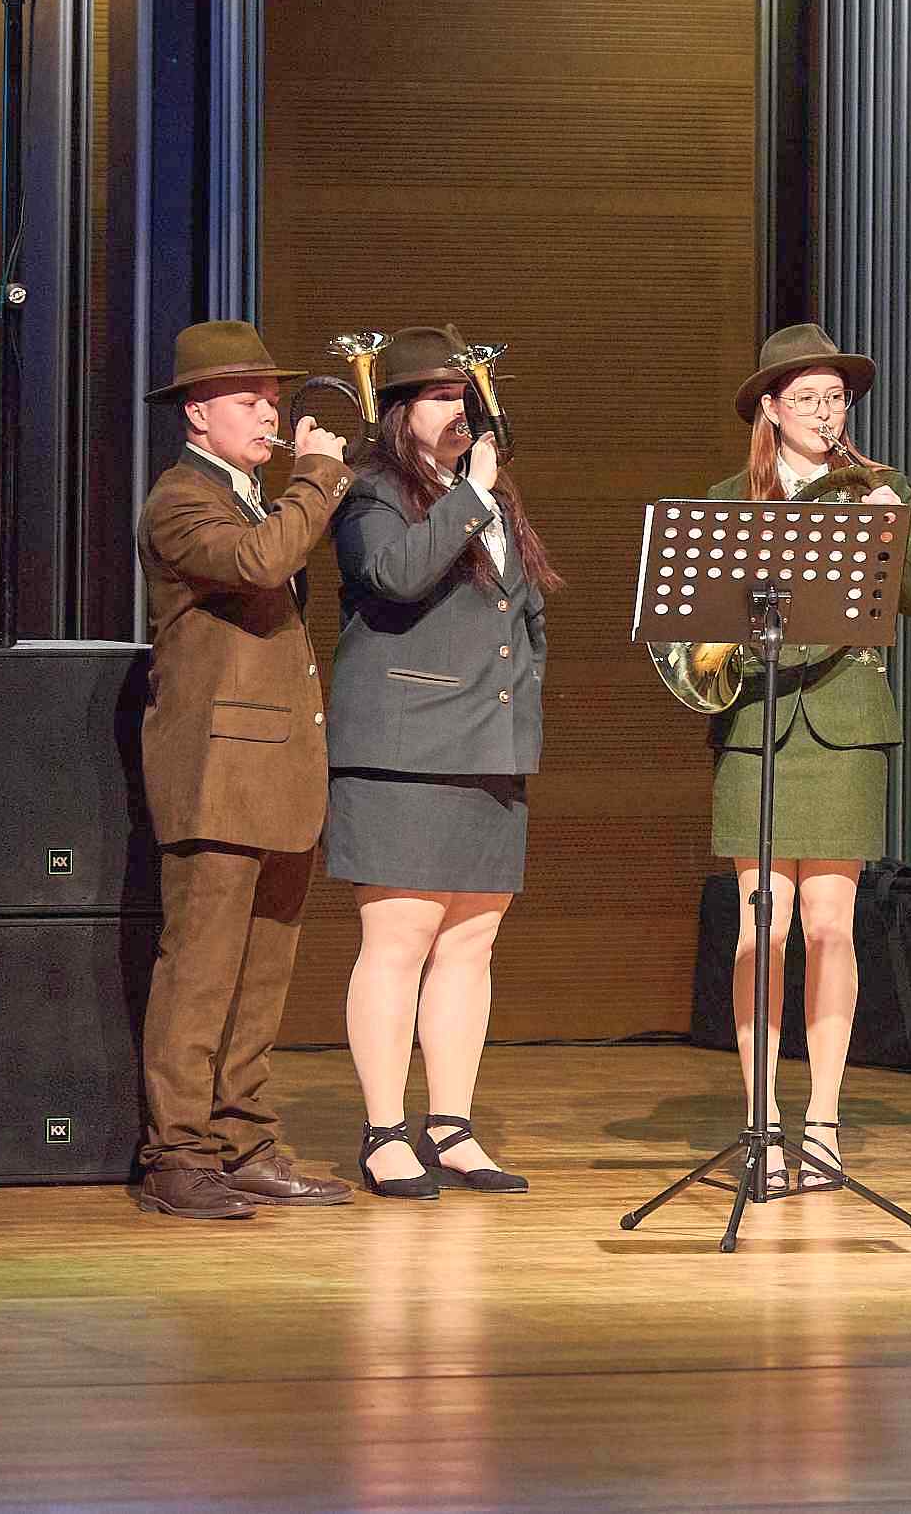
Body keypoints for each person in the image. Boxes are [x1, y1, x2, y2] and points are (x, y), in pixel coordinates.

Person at [326, 326, 562, 1198]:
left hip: (488, 747)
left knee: (471, 941)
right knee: (398, 941)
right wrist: (471, 495)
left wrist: (522, 699)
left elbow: (523, 613)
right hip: (406, 751)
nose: (459, 409)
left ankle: (452, 1125)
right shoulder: (373, 492)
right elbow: (393, 575)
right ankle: (385, 1130)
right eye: (438, 396)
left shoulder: (488, 497)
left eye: (464, 395)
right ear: (398, 412)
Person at [703, 323, 911, 1191]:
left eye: (835, 397)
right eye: (806, 397)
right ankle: (761, 1121)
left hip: (845, 726)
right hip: (759, 726)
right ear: (771, 408)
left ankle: (825, 1121)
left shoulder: (882, 487)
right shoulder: (732, 497)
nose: (824, 411)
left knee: (831, 926)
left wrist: (889, 529)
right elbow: (701, 622)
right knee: (761, 926)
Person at [135, 320, 356, 1220]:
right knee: (199, 972)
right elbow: (261, 564)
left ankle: (244, 1140)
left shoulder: (254, 497)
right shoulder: (181, 501)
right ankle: (179, 1154)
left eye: (272, 399)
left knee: (262, 975)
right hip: (216, 775)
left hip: (277, 775)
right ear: (198, 413)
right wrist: (318, 476)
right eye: (249, 401)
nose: (270, 414)